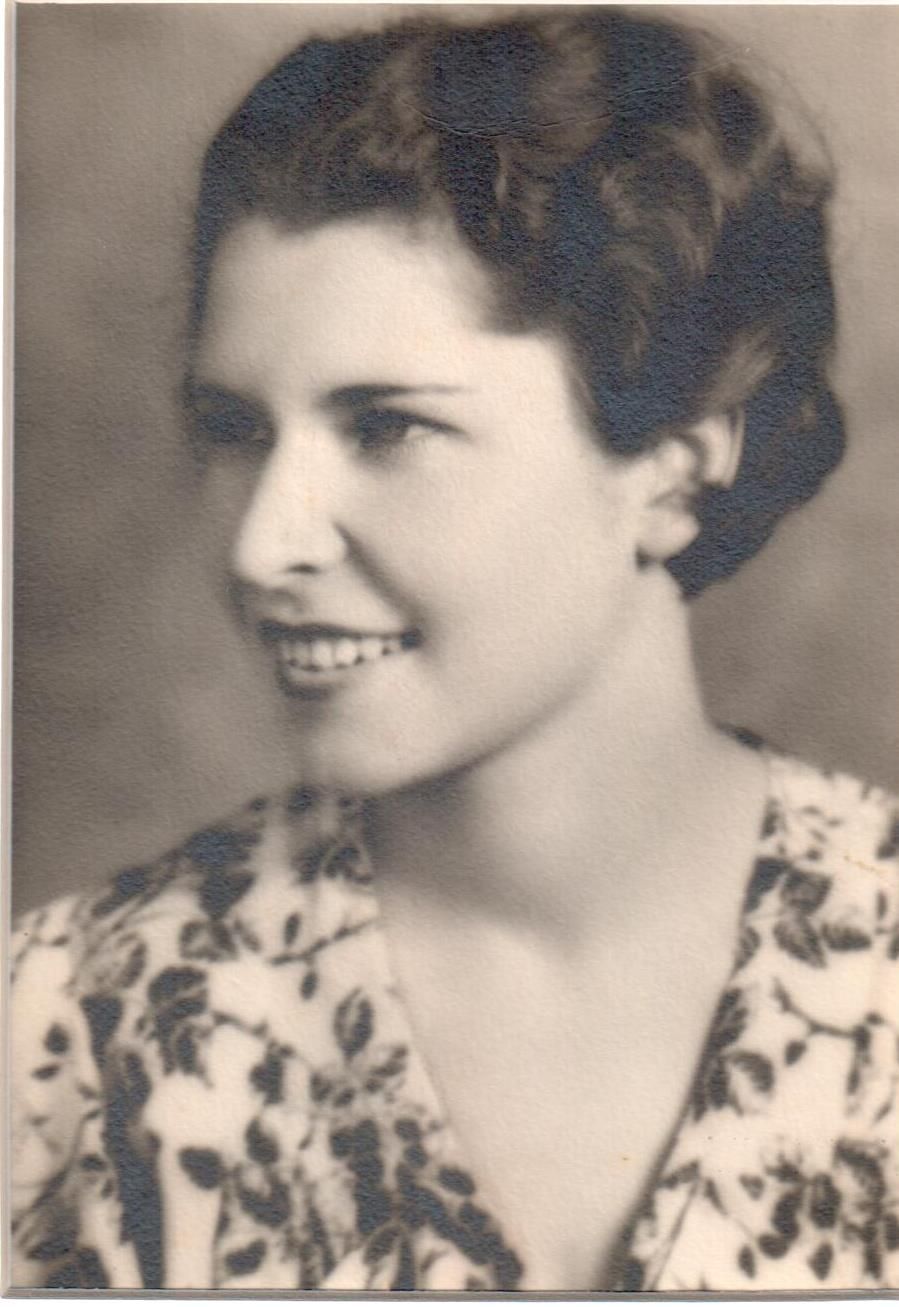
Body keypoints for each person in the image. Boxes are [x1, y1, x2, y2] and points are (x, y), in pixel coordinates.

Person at [10, 7, 898, 1293]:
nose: (262, 544)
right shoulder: (75, 1029)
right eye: (236, 429)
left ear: (672, 467)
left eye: (387, 427)